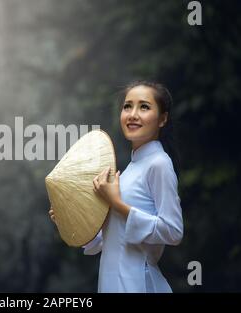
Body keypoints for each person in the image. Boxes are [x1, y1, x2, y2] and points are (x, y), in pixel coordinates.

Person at [48, 81, 183, 292]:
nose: (133, 114)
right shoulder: (130, 170)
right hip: (113, 282)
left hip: (138, 284)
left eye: (144, 107)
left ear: (163, 119)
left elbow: (173, 231)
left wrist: (117, 204)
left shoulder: (159, 163)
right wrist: (69, 218)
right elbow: (112, 238)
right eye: (127, 106)